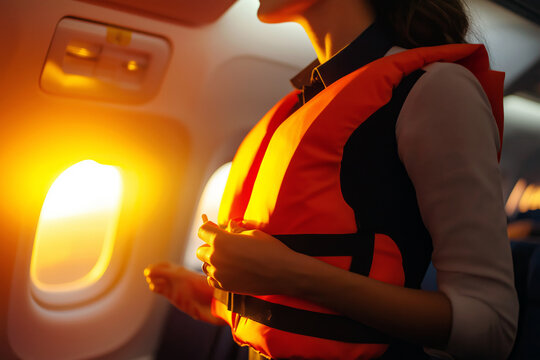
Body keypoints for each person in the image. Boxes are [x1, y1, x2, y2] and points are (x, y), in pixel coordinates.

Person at [145, 1, 519, 359]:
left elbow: (489, 327)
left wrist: (292, 276)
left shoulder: (435, 89)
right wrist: (228, 298)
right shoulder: (305, 101)